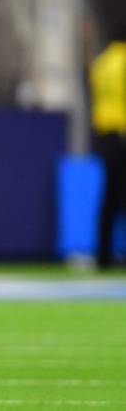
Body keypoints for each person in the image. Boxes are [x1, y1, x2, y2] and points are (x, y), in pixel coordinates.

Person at [90, 24, 126, 270]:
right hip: (122, 133)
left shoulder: (102, 62)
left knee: (109, 197)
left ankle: (103, 255)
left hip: (104, 134)